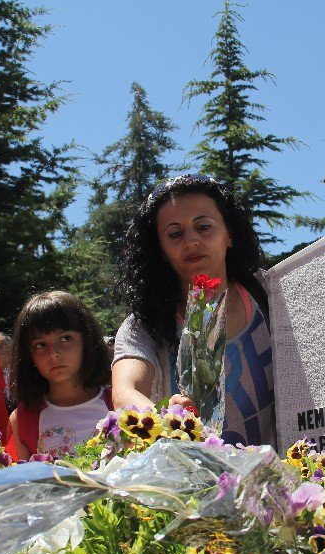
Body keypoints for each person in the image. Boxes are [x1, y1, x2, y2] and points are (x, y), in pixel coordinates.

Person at [112, 174, 275, 448]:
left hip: (285, 482)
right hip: (196, 484)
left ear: (229, 235)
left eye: (204, 227)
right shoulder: (145, 325)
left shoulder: (270, 292)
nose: (191, 241)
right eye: (175, 233)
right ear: (160, 250)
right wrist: (164, 419)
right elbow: (125, 392)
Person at [8, 291, 113, 459]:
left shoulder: (118, 404)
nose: (53, 354)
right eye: (40, 345)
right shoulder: (21, 419)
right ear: (29, 357)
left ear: (87, 342)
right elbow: (20, 482)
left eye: (65, 339)